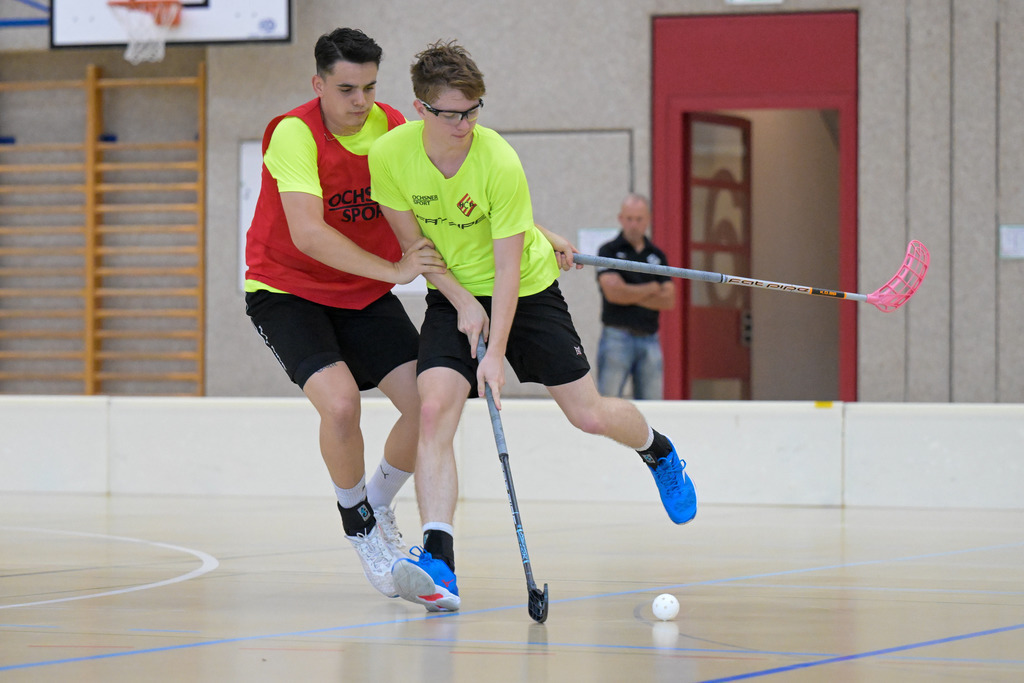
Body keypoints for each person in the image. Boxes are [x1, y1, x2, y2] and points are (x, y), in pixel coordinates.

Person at [368, 39, 697, 613]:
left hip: (527, 288)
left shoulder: (498, 159)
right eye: (452, 114)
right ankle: (439, 561)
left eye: (474, 111)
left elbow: (507, 268)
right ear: (420, 108)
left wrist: (495, 352)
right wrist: (461, 303)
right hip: (452, 291)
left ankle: (659, 451)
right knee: (435, 407)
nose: (465, 125)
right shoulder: (390, 155)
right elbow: (416, 248)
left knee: (588, 414)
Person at [243, 28, 446, 599]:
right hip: (287, 289)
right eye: (347, 89)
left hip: (361, 291)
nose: (361, 101)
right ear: (319, 84)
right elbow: (308, 234)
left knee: (429, 404)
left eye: (370, 87)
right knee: (339, 404)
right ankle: (359, 528)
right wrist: (395, 271)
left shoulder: (392, 127)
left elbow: (437, 204)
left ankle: (376, 502)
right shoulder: (294, 133)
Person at [596, 194, 675, 400]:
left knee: (653, 404)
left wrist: (627, 291)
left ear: (648, 220)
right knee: (609, 402)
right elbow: (613, 294)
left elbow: (669, 300)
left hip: (650, 338)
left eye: (639, 219)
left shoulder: (657, 255)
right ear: (620, 219)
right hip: (616, 337)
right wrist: (652, 287)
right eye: (629, 219)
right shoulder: (608, 251)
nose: (634, 225)